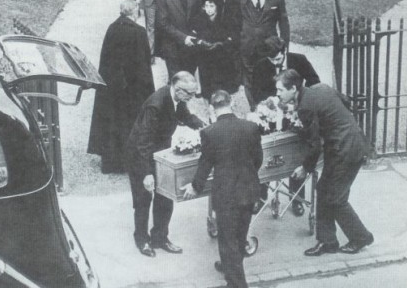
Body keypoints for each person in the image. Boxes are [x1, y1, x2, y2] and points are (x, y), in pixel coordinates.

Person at [276, 70, 374, 256]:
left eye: (280, 90)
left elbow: (314, 145)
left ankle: (361, 237)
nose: (277, 94)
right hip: (347, 144)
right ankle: (327, 241)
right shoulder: (320, 88)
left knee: (336, 198)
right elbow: (344, 103)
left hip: (345, 151)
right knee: (323, 190)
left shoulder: (306, 106)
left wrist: (305, 168)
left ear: (293, 88)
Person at [183, 90, 262, 288]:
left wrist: (195, 186)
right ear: (232, 103)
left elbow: (205, 164)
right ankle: (229, 267)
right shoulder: (251, 128)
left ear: (211, 108)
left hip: (226, 194)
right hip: (249, 189)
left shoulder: (210, 132)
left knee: (227, 241)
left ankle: (237, 284)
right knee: (239, 236)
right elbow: (258, 160)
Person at [127, 72, 204, 257]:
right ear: (178, 89)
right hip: (141, 155)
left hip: (161, 153)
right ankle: (142, 240)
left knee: (165, 196)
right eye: (190, 94)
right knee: (143, 199)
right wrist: (146, 173)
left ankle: (160, 237)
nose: (192, 98)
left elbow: (185, 115)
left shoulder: (177, 98)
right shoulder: (156, 104)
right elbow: (143, 142)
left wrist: (204, 126)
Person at [251, 36, 320, 215]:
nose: (275, 62)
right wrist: (268, 104)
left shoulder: (299, 60)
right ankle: (262, 195)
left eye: (278, 59)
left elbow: (315, 82)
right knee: (265, 153)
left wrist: (298, 102)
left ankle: (296, 198)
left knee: (294, 153)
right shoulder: (260, 66)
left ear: (284, 52)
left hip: (295, 113)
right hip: (271, 114)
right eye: (271, 60)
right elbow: (255, 91)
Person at [88, 0, 154, 173]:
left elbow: (106, 60)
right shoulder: (139, 32)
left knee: (112, 123)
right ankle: (128, 163)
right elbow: (143, 64)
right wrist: (148, 91)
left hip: (112, 88)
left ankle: (110, 163)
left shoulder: (112, 28)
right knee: (130, 124)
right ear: (134, 13)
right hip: (132, 90)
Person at [235, 0, 290, 89]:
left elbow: (284, 23)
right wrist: (239, 39)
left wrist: (284, 45)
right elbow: (236, 20)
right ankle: (253, 104)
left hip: (268, 46)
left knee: (269, 75)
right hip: (247, 45)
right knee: (249, 78)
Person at [155, 0, 202, 77]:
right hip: (172, 44)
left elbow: (199, 15)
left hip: (191, 41)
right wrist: (183, 37)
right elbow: (163, 24)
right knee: (176, 77)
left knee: (190, 73)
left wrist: (194, 33)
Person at [190, 0, 239, 99]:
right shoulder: (198, 19)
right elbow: (193, 36)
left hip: (222, 58)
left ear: (217, 7)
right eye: (206, 6)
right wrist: (201, 42)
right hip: (205, 58)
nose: (209, 9)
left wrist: (221, 44)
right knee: (207, 88)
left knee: (222, 88)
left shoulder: (225, 19)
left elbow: (233, 37)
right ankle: (210, 107)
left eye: (212, 6)